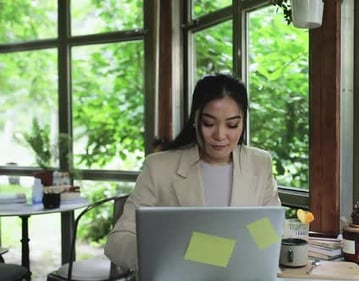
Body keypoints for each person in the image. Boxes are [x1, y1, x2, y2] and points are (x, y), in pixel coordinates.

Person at [104, 73, 281, 270]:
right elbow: (118, 241)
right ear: (195, 119)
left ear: (243, 123)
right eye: (209, 123)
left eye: (232, 125)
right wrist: (167, 257)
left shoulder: (259, 163)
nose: (220, 135)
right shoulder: (160, 168)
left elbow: (268, 231)